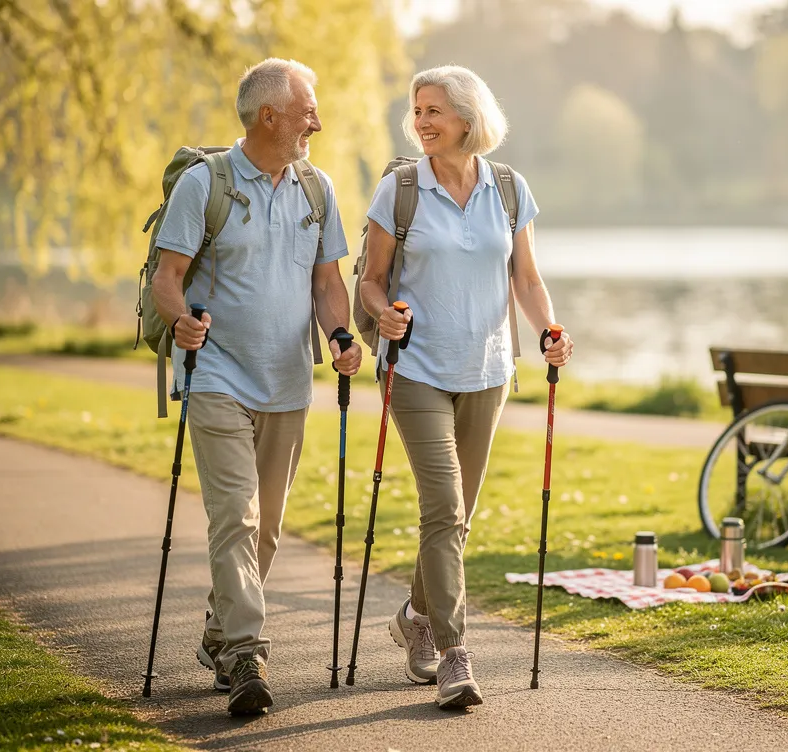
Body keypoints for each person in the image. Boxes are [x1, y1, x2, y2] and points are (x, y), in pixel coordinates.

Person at [359, 65, 574, 709]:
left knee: (458, 517)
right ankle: (455, 653)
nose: (421, 122)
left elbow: (526, 279)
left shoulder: (508, 188)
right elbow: (370, 280)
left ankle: (414, 617)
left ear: (467, 118)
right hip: (416, 368)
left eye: (433, 111)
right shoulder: (400, 189)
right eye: (417, 111)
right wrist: (383, 314)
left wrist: (549, 328)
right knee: (444, 508)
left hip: (488, 370)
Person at [151, 58, 361, 716]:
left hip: (288, 381)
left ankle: (219, 631)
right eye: (307, 112)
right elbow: (167, 276)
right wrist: (180, 321)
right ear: (270, 116)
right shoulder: (204, 184)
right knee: (235, 519)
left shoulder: (316, 189)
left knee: (265, 529)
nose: (316, 124)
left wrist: (341, 335)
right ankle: (246, 654)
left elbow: (327, 282)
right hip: (216, 374)